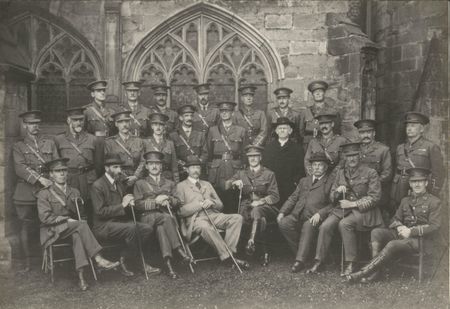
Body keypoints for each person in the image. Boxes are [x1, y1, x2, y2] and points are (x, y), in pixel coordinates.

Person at [345, 167, 441, 283]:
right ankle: (376, 272)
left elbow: (435, 226)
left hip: (420, 240)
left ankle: (363, 273)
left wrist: (411, 231)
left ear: (426, 183)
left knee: (392, 244)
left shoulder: (434, 202)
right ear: (410, 183)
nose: (417, 184)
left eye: (420, 181)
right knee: (376, 232)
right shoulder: (405, 200)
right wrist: (400, 226)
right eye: (414, 181)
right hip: (403, 235)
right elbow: (395, 219)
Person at [37, 158, 119, 291]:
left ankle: (81, 278)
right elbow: (45, 218)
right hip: (53, 230)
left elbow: (81, 215)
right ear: (51, 174)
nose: (62, 174)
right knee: (80, 226)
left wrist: (75, 221)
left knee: (77, 235)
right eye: (58, 171)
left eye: (64, 170)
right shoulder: (44, 193)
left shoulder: (74, 191)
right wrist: (66, 220)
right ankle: (98, 258)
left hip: (72, 228)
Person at [307, 142, 382, 275]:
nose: (351, 159)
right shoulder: (340, 173)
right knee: (325, 226)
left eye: (354, 155)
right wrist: (337, 192)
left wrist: (353, 204)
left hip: (362, 211)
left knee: (344, 224)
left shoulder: (370, 172)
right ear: (345, 158)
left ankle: (351, 263)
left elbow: (375, 198)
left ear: (359, 156)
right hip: (341, 209)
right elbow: (331, 197)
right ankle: (319, 261)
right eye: (348, 156)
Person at [90, 154, 161, 277]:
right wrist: (123, 205)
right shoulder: (98, 186)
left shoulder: (119, 183)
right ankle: (139, 262)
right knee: (132, 228)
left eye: (120, 167)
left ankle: (125, 257)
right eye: (115, 167)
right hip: (103, 226)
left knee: (147, 229)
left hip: (119, 222)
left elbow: (125, 201)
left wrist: (130, 200)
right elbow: (100, 212)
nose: (119, 170)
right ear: (107, 168)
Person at [175, 156, 249, 269]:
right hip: (196, 219)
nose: (196, 170)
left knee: (237, 218)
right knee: (205, 227)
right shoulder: (180, 186)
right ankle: (228, 258)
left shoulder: (207, 184)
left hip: (213, 215)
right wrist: (198, 205)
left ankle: (229, 254)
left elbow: (220, 205)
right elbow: (180, 211)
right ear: (187, 170)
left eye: (198, 168)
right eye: (193, 167)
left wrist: (212, 202)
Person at [13, 110, 59, 271]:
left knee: (47, 224)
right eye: (31, 124)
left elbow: (56, 164)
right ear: (25, 125)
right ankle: (27, 263)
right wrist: (40, 179)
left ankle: (47, 260)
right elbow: (20, 168)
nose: (35, 127)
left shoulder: (49, 143)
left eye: (37, 123)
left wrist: (52, 181)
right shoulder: (18, 146)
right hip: (25, 192)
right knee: (26, 227)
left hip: (46, 192)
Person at [133, 151, 192, 279]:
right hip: (148, 218)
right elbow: (137, 205)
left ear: (161, 166)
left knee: (162, 227)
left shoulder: (170, 183)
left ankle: (169, 266)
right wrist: (156, 202)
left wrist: (169, 200)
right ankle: (180, 251)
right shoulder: (140, 183)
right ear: (147, 167)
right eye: (151, 164)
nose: (154, 166)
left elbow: (178, 202)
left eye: (157, 164)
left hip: (166, 218)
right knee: (166, 219)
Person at [277, 152, 334, 273]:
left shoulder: (330, 182)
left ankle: (300, 261)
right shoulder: (304, 181)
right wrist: (282, 212)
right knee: (284, 223)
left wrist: (320, 214)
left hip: (315, 217)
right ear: (311, 167)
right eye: (314, 165)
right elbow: (293, 198)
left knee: (308, 226)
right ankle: (305, 254)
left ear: (326, 167)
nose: (317, 167)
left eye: (320, 165)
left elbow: (333, 204)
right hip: (297, 214)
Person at [225, 145, 280, 266]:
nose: (253, 159)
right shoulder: (241, 173)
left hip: (266, 207)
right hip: (246, 207)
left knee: (257, 211)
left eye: (255, 156)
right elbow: (226, 185)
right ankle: (262, 252)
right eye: (250, 157)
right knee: (255, 219)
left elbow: (275, 196)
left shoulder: (269, 174)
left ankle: (251, 242)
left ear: (260, 157)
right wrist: (234, 182)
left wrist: (261, 202)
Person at [391, 112, 444, 209]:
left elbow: (438, 173)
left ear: (422, 129)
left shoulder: (430, 147)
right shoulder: (400, 148)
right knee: (401, 212)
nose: (409, 129)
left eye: (413, 126)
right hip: (400, 189)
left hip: (420, 188)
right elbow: (396, 169)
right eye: (407, 126)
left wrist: (433, 191)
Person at [55, 107, 99, 224]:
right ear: (68, 121)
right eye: (75, 120)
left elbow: (98, 164)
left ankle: (90, 236)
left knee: (88, 206)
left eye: (81, 120)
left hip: (87, 178)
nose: (79, 123)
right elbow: (56, 163)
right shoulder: (59, 139)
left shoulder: (92, 139)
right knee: (70, 206)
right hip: (69, 178)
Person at [206, 102, 247, 213]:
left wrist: (242, 172)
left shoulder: (240, 130)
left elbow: (244, 153)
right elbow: (208, 152)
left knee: (233, 196)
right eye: (222, 111)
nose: (224, 113)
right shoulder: (213, 130)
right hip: (217, 168)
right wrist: (210, 169)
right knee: (217, 196)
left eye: (227, 111)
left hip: (234, 168)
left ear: (232, 113)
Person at [262, 117, 305, 205]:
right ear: (276, 131)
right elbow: (264, 167)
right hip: (273, 186)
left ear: (290, 131)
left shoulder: (297, 149)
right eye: (280, 128)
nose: (282, 130)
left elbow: (301, 169)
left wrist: (295, 182)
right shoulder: (269, 148)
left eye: (285, 128)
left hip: (289, 186)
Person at [354, 119, 392, 216]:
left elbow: (387, 173)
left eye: (368, 132)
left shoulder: (383, 149)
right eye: (362, 132)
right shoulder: (354, 149)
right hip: (356, 191)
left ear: (374, 133)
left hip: (375, 192)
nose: (365, 135)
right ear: (359, 134)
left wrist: (372, 184)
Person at [105, 110, 145, 190]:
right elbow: (108, 164)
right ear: (116, 124)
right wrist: (123, 177)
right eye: (120, 122)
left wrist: (136, 176)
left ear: (130, 123)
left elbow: (143, 161)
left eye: (126, 121)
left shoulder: (138, 141)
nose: (124, 125)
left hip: (136, 180)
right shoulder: (110, 142)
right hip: (118, 180)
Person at [83, 80, 115, 176]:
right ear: (92, 94)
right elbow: (83, 132)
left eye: (103, 90)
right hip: (95, 146)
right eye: (98, 91)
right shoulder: (87, 111)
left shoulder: (111, 111)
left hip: (109, 145)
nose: (102, 93)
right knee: (97, 173)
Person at [169, 104, 209, 180]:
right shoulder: (173, 135)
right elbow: (172, 156)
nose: (189, 118)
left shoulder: (200, 134)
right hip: (181, 172)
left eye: (191, 116)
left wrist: (197, 165)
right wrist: (183, 166)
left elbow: (205, 153)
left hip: (197, 172)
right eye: (186, 116)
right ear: (181, 118)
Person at [302, 80, 341, 151]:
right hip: (308, 146)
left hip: (327, 145)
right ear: (312, 94)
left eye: (320, 91)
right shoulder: (305, 112)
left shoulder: (333, 112)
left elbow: (337, 131)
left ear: (324, 93)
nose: (318, 94)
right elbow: (300, 132)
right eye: (315, 92)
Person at [144, 113, 179, 182]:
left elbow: (174, 165)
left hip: (167, 178)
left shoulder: (170, 143)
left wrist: (176, 181)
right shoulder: (145, 142)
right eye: (155, 124)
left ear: (164, 127)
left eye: (161, 125)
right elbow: (143, 163)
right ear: (152, 126)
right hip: (150, 178)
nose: (158, 127)